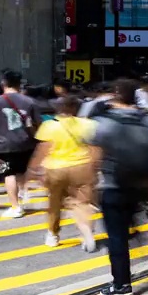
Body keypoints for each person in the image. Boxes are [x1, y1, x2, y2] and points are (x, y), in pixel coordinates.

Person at [91, 79, 148, 295]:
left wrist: (89, 186)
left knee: (116, 236)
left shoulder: (103, 121)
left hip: (114, 184)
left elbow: (94, 157)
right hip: (140, 183)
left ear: (114, 94)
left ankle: (122, 284)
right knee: (127, 224)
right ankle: (134, 232)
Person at [29, 96, 97, 250]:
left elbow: (43, 150)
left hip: (55, 168)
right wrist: (95, 167)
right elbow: (95, 148)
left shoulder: (49, 125)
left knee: (54, 203)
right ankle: (86, 233)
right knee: (82, 202)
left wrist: (33, 170)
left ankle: (53, 234)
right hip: (82, 166)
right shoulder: (88, 124)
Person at [0, 72, 42, 218]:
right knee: (22, 171)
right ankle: (24, 195)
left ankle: (16, 207)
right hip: (26, 142)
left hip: (4, 144)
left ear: (3, 83)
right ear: (19, 84)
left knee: (9, 173)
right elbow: (38, 123)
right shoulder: (29, 101)